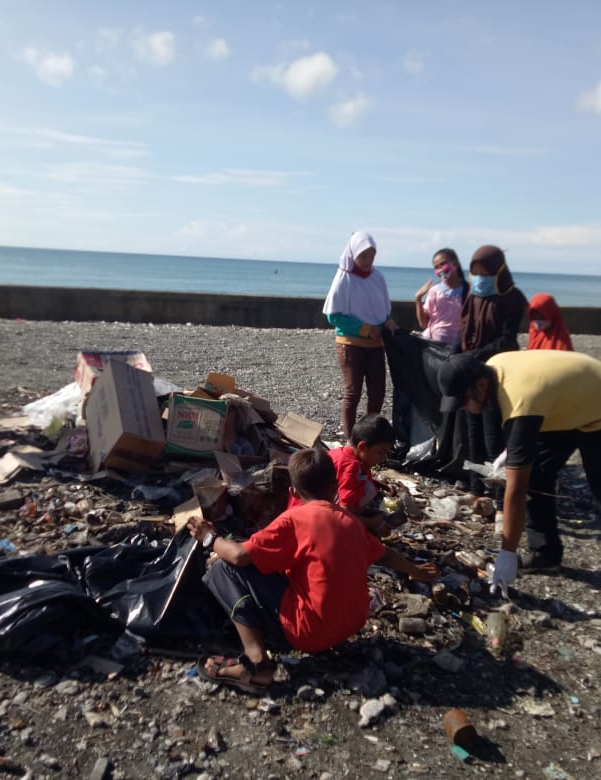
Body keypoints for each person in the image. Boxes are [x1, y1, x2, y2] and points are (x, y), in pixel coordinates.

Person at [186, 448, 438, 694]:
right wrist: (414, 570)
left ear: (293, 491)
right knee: (270, 565)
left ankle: (256, 665)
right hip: (351, 623)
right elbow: (385, 555)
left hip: (309, 633)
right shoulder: (350, 522)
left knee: (222, 569)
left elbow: (239, 556)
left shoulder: (293, 520)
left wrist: (209, 537)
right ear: (334, 486)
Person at [437, 350, 601, 612]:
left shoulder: (520, 399)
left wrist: (507, 552)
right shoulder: (491, 371)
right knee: (537, 476)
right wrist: (513, 451)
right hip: (565, 409)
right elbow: (535, 410)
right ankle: (545, 553)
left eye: (463, 401)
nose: (464, 408)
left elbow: (516, 489)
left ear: (480, 385)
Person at [459, 245, 527, 495]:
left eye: (484, 273)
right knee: (472, 436)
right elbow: (463, 331)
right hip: (470, 375)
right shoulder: (473, 297)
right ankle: (477, 490)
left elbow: (507, 339)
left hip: (496, 376)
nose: (478, 279)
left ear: (498, 272)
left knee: (493, 438)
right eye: (474, 273)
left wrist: (474, 356)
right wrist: (456, 356)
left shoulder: (511, 298)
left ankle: (499, 496)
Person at [323, 231, 396, 439]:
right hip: (350, 343)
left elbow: (382, 309)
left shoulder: (377, 277)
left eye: (371, 256)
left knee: (377, 393)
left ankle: (370, 436)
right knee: (352, 393)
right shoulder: (344, 278)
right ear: (353, 254)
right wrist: (366, 328)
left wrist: (387, 320)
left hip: (375, 344)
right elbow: (334, 316)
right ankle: (351, 440)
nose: (367, 261)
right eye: (363, 256)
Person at [287, 414, 405, 535]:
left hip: (304, 513)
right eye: (380, 452)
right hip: (310, 522)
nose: (383, 458)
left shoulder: (342, 454)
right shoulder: (350, 468)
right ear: (362, 446)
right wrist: (372, 523)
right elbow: (342, 514)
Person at [414, 247, 467, 345]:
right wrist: (418, 299)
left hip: (457, 347)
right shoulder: (434, 291)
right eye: (436, 267)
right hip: (432, 345)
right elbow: (424, 324)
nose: (440, 269)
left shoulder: (468, 291)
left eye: (442, 264)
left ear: (455, 264)